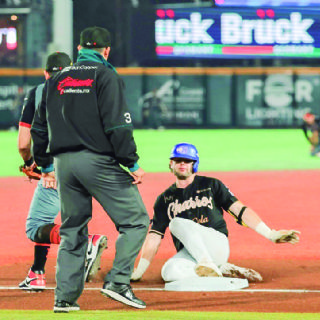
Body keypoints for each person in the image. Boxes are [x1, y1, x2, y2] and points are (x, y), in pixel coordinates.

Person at [31, 27, 149, 312]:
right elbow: (118, 125)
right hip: (96, 161)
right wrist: (131, 163)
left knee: (73, 230)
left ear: (80, 47)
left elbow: (39, 128)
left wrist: (46, 167)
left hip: (63, 166)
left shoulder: (56, 79)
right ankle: (118, 282)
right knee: (136, 221)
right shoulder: (105, 75)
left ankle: (64, 299)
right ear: (106, 51)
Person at [131, 143, 300, 285]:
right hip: (191, 252)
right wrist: (139, 271)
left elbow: (240, 211)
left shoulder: (212, 184)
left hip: (216, 244)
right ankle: (220, 269)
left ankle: (209, 263)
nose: (182, 163)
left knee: (176, 223)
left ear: (194, 164)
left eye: (187, 161)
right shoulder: (164, 199)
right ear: (171, 164)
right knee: (169, 272)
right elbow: (154, 236)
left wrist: (270, 234)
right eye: (178, 160)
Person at [18, 52, 108, 294]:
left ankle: (86, 241)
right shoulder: (89, 89)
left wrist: (31, 165)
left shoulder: (40, 91)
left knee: (36, 225)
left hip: (57, 167)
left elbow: (24, 143)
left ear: (46, 73)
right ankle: (36, 273)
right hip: (92, 165)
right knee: (47, 218)